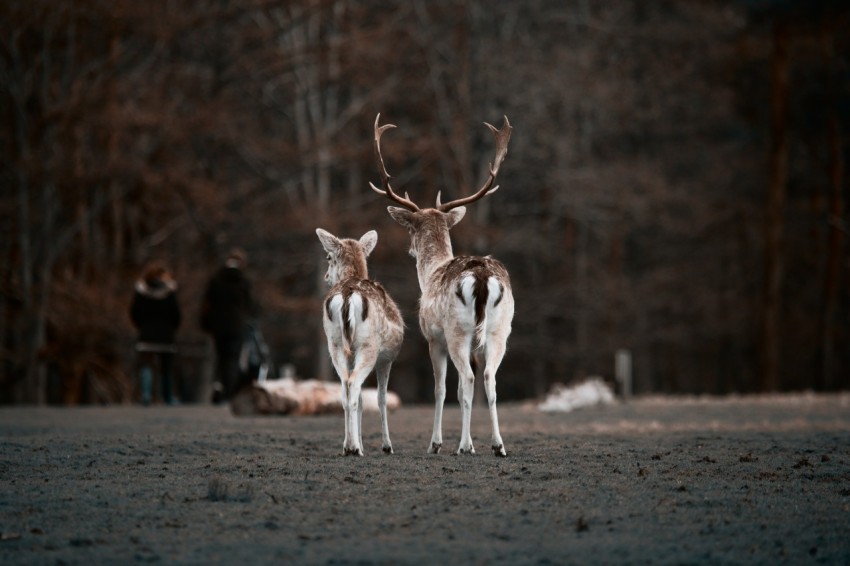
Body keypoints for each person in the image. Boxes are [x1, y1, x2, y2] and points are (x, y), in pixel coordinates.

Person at [200, 248, 258, 403]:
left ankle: (218, 384)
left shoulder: (216, 279)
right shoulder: (243, 282)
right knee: (232, 359)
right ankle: (228, 391)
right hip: (236, 325)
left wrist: (205, 323)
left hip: (217, 326)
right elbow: (250, 305)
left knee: (221, 356)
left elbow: (207, 304)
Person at [130, 262, 181, 405]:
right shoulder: (170, 293)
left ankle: (146, 394)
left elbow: (134, 313)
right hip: (166, 334)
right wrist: (172, 328)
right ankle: (167, 397)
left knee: (146, 365)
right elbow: (176, 314)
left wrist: (142, 326)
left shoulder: (141, 293)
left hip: (146, 333)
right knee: (166, 368)